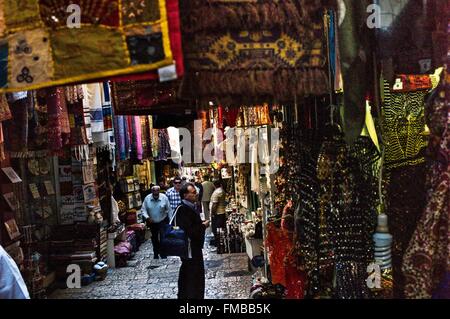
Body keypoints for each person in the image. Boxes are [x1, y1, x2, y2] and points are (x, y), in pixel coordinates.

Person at [175, 183, 210, 299]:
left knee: (191, 273)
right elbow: (190, 231)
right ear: (185, 195)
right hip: (190, 249)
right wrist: (203, 226)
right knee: (193, 274)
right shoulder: (184, 209)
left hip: (193, 248)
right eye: (193, 192)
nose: (196, 194)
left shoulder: (190, 207)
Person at [141, 186, 171, 259]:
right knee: (154, 238)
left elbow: (169, 209)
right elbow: (143, 210)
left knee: (163, 238)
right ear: (152, 192)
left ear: (159, 191)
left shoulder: (164, 198)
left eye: (157, 192)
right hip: (152, 222)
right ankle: (156, 253)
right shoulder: (147, 198)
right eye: (154, 192)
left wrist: (170, 221)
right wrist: (147, 217)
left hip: (162, 220)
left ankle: (163, 253)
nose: (156, 195)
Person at [210, 179, 227, 247]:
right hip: (221, 212)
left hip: (218, 213)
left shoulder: (217, 192)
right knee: (220, 228)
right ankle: (220, 242)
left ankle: (218, 243)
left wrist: (213, 213)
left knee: (216, 229)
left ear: (214, 185)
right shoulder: (221, 191)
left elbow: (215, 204)